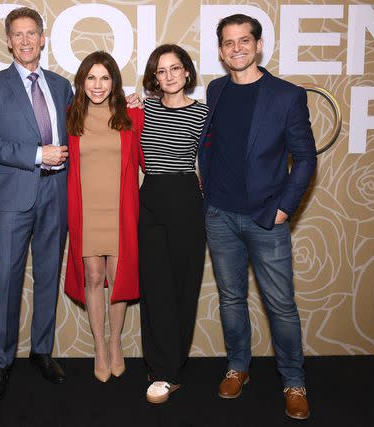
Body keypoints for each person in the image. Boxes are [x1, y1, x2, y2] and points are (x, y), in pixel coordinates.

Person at [198, 14, 317, 420]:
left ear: (259, 45)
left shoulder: (286, 96)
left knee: (281, 305)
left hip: (267, 217)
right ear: (220, 50)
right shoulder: (216, 90)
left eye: (244, 40)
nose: (236, 48)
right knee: (231, 299)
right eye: (228, 43)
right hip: (219, 215)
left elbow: (304, 159)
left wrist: (284, 208)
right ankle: (238, 367)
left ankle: (293, 380)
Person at [0, 7, 72, 403]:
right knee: (8, 281)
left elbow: (88, 120)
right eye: (18, 34)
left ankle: (42, 352)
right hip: (16, 195)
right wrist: (36, 154)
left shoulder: (61, 85)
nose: (26, 40)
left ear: (43, 37)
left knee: (48, 275)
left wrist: (131, 100)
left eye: (32, 33)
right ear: (9, 41)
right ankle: (1, 362)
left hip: (57, 194)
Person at [64, 51, 144, 383]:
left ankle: (115, 344)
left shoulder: (131, 115)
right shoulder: (69, 116)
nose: (98, 85)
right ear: (82, 82)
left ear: (114, 82)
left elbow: (147, 158)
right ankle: (99, 347)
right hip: (86, 209)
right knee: (94, 278)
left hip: (120, 209)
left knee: (119, 280)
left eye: (105, 78)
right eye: (92, 77)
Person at [138, 44, 208, 404]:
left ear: (187, 72)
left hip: (185, 199)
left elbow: (214, 159)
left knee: (183, 284)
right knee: (154, 286)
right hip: (149, 199)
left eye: (175, 68)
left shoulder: (203, 114)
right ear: (154, 78)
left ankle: (171, 368)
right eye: (161, 71)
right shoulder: (143, 108)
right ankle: (159, 367)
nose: (168, 76)